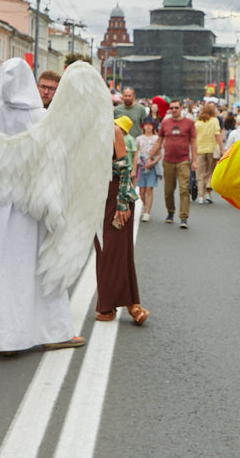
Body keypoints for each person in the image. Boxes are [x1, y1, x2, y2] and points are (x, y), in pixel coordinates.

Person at [0, 58, 86, 354]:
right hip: (29, 204)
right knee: (37, 266)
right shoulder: (40, 118)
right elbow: (57, 160)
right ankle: (52, 331)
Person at [94, 118, 149, 326]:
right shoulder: (81, 129)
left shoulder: (112, 130)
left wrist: (122, 203)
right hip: (96, 197)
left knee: (112, 251)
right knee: (107, 251)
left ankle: (109, 306)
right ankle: (132, 305)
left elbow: (124, 168)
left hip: (116, 195)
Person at [146, 100, 195, 228]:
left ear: (181, 108)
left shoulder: (189, 123)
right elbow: (159, 141)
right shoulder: (165, 123)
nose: (174, 110)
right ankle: (170, 212)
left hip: (183, 160)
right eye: (172, 108)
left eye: (176, 107)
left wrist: (194, 160)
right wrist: (150, 157)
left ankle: (184, 217)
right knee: (168, 191)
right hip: (168, 161)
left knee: (184, 190)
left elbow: (193, 142)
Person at [193, 102, 222, 204]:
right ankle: (208, 191)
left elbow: (194, 137)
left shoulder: (197, 122)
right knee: (211, 171)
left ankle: (201, 196)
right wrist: (222, 149)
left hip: (199, 149)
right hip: (212, 149)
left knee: (199, 173)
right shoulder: (214, 120)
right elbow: (217, 135)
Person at [133, 118, 159, 222]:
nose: (148, 127)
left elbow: (159, 154)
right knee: (142, 190)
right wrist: (134, 169)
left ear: (153, 126)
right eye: (146, 124)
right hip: (141, 165)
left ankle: (147, 211)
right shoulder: (139, 138)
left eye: (150, 124)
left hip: (151, 166)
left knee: (149, 189)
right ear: (143, 126)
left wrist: (153, 162)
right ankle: (144, 205)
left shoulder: (156, 138)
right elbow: (136, 154)